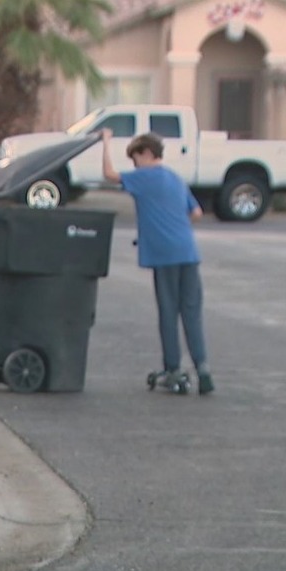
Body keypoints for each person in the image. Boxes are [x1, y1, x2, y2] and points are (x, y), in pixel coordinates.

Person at [100, 128, 213, 395]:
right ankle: (203, 368)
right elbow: (196, 212)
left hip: (164, 256)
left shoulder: (144, 177)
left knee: (168, 312)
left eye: (135, 158)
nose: (134, 165)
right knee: (192, 313)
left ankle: (173, 368)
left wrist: (105, 142)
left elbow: (108, 174)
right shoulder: (175, 178)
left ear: (147, 154)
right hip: (188, 251)